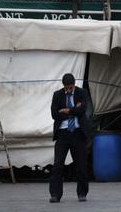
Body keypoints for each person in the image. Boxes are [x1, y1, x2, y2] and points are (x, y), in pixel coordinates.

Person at [49, 73, 92, 203]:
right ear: (63, 86)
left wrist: (66, 110)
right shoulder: (57, 95)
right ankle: (55, 194)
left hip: (78, 132)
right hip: (62, 133)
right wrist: (74, 110)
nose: (68, 90)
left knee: (81, 165)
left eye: (70, 88)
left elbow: (83, 110)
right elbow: (54, 114)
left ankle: (82, 193)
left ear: (74, 85)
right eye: (66, 88)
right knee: (58, 165)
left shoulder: (81, 93)